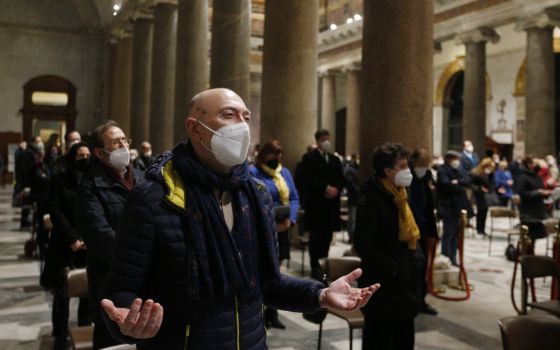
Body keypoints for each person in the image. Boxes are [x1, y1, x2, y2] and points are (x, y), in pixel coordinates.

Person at [100, 88, 379, 349]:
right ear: (194, 128)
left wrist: (320, 295)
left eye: (245, 117)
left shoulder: (255, 195)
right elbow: (122, 289)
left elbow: (265, 282)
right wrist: (128, 323)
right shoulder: (153, 198)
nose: (241, 126)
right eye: (228, 115)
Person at [75, 121, 142, 349]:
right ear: (100, 152)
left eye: (124, 140)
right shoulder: (89, 187)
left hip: (148, 277)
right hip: (110, 279)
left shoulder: (144, 178)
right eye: (115, 142)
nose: (123, 145)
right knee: (112, 340)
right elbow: (100, 236)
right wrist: (141, 255)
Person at [354, 143, 420, 350]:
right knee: (380, 340)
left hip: (403, 284)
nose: (407, 170)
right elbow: (362, 244)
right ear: (388, 171)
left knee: (403, 338)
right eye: (402, 166)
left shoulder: (399, 196)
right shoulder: (371, 199)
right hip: (382, 284)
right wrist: (392, 268)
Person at [43, 142, 92, 349]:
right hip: (64, 242)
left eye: (88, 155)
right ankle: (60, 336)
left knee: (87, 292)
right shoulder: (59, 178)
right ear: (72, 157)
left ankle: (83, 328)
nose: (85, 158)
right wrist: (73, 238)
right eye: (81, 155)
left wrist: (89, 238)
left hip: (88, 243)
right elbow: (55, 209)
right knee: (62, 291)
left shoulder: (94, 179)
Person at [249, 139, 299, 329]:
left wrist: (290, 220)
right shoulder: (254, 172)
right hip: (264, 228)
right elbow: (254, 200)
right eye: (273, 153)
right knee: (263, 270)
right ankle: (260, 313)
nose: (276, 157)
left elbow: (294, 197)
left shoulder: (284, 172)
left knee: (276, 272)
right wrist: (271, 224)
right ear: (264, 154)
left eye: (279, 154)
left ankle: (273, 312)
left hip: (284, 227)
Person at [301, 129, 344, 279]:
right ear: (318, 140)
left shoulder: (334, 159)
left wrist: (337, 189)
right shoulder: (309, 158)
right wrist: (326, 188)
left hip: (331, 205)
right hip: (317, 204)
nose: (327, 141)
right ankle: (314, 265)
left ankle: (324, 263)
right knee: (316, 236)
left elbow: (341, 178)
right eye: (324, 138)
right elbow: (308, 179)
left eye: (328, 138)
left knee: (327, 236)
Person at [408, 148, 438, 316]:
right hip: (410, 231)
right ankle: (411, 300)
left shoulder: (425, 178)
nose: (425, 167)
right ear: (414, 162)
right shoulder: (406, 179)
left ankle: (421, 300)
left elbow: (428, 207)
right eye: (422, 164)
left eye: (427, 165)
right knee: (412, 267)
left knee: (422, 267)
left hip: (424, 229)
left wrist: (432, 231)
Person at [437, 150, 472, 266]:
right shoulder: (442, 169)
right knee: (448, 233)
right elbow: (446, 185)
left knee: (457, 234)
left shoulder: (459, 169)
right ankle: (445, 257)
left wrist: (457, 182)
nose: (456, 161)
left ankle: (453, 257)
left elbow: (467, 180)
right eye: (454, 159)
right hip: (448, 206)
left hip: (459, 206)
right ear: (448, 159)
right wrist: (460, 187)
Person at [517, 156, 552, 241]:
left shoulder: (537, 176)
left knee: (535, 236)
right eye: (535, 163)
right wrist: (537, 193)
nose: (538, 166)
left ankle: (531, 253)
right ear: (529, 164)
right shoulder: (523, 177)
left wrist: (545, 193)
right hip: (528, 212)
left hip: (538, 210)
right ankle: (525, 253)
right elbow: (522, 193)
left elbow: (541, 189)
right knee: (527, 237)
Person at [470, 158, 496, 237]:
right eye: (490, 166)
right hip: (480, 195)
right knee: (480, 212)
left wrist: (491, 175)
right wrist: (480, 189)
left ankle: (482, 230)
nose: (491, 168)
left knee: (485, 212)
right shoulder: (477, 173)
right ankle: (479, 229)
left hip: (487, 195)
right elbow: (472, 185)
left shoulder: (491, 174)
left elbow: (492, 184)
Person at [343, 153, 360, 243]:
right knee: (352, 219)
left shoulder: (359, 168)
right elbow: (350, 183)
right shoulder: (349, 169)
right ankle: (351, 237)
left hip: (358, 198)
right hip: (354, 198)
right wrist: (359, 190)